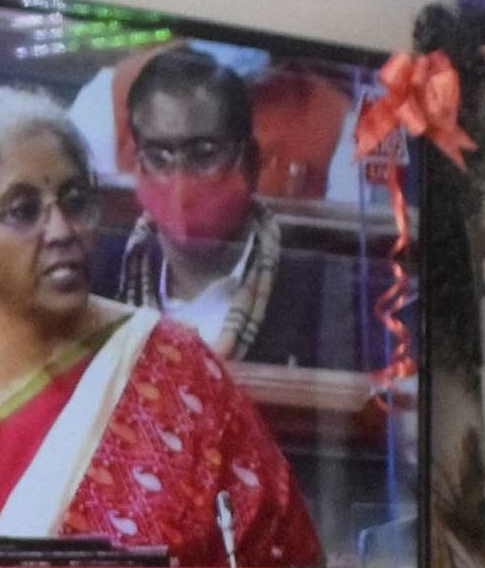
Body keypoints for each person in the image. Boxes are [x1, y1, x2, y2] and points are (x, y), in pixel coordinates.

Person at [0, 85, 318, 568]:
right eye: (24, 211)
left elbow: (280, 564)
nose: (62, 231)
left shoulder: (173, 364)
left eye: (75, 202)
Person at [106, 46, 365, 370]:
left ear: (252, 163)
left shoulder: (318, 297)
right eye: (158, 156)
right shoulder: (105, 279)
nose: (180, 182)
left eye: (204, 154)